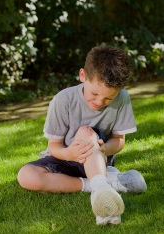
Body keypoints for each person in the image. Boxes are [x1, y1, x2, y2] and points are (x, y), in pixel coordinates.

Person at [17, 45, 147, 225]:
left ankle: (101, 186)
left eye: (108, 99)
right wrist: (68, 154)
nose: (99, 102)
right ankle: (104, 185)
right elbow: (54, 146)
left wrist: (103, 148)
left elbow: (119, 141)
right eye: (94, 93)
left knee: (86, 131)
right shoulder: (63, 100)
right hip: (66, 157)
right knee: (26, 175)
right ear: (83, 75)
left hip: (98, 157)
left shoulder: (122, 98)